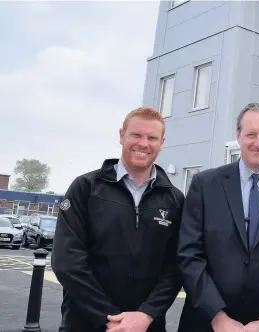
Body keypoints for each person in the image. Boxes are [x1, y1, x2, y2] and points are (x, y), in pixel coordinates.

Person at [176, 103, 259, 332]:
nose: (258, 142)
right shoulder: (205, 185)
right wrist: (217, 316)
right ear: (238, 135)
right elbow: (189, 254)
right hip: (205, 323)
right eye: (251, 134)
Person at [52, 107, 185, 332]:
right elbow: (68, 262)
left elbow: (175, 267)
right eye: (136, 135)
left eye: (152, 137)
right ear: (122, 135)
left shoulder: (174, 199)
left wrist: (146, 315)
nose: (143, 143)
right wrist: (109, 316)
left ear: (162, 143)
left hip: (146, 326)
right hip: (87, 323)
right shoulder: (86, 188)